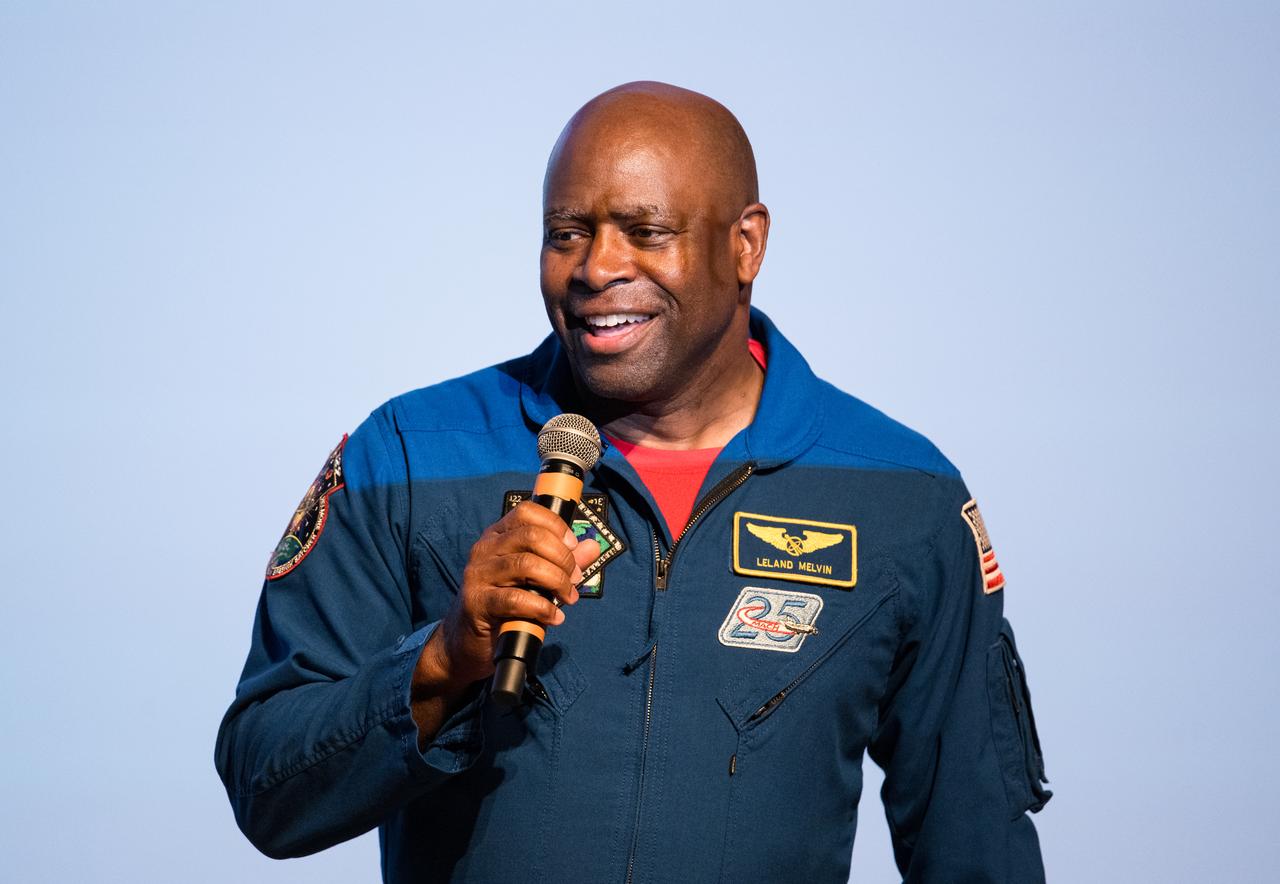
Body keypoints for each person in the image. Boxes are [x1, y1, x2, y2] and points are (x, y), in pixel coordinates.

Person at [216, 81, 1051, 883]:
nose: (595, 267)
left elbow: (976, 843)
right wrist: (442, 663)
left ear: (746, 243)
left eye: (646, 232)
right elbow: (268, 789)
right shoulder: (409, 454)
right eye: (567, 231)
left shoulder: (903, 494)